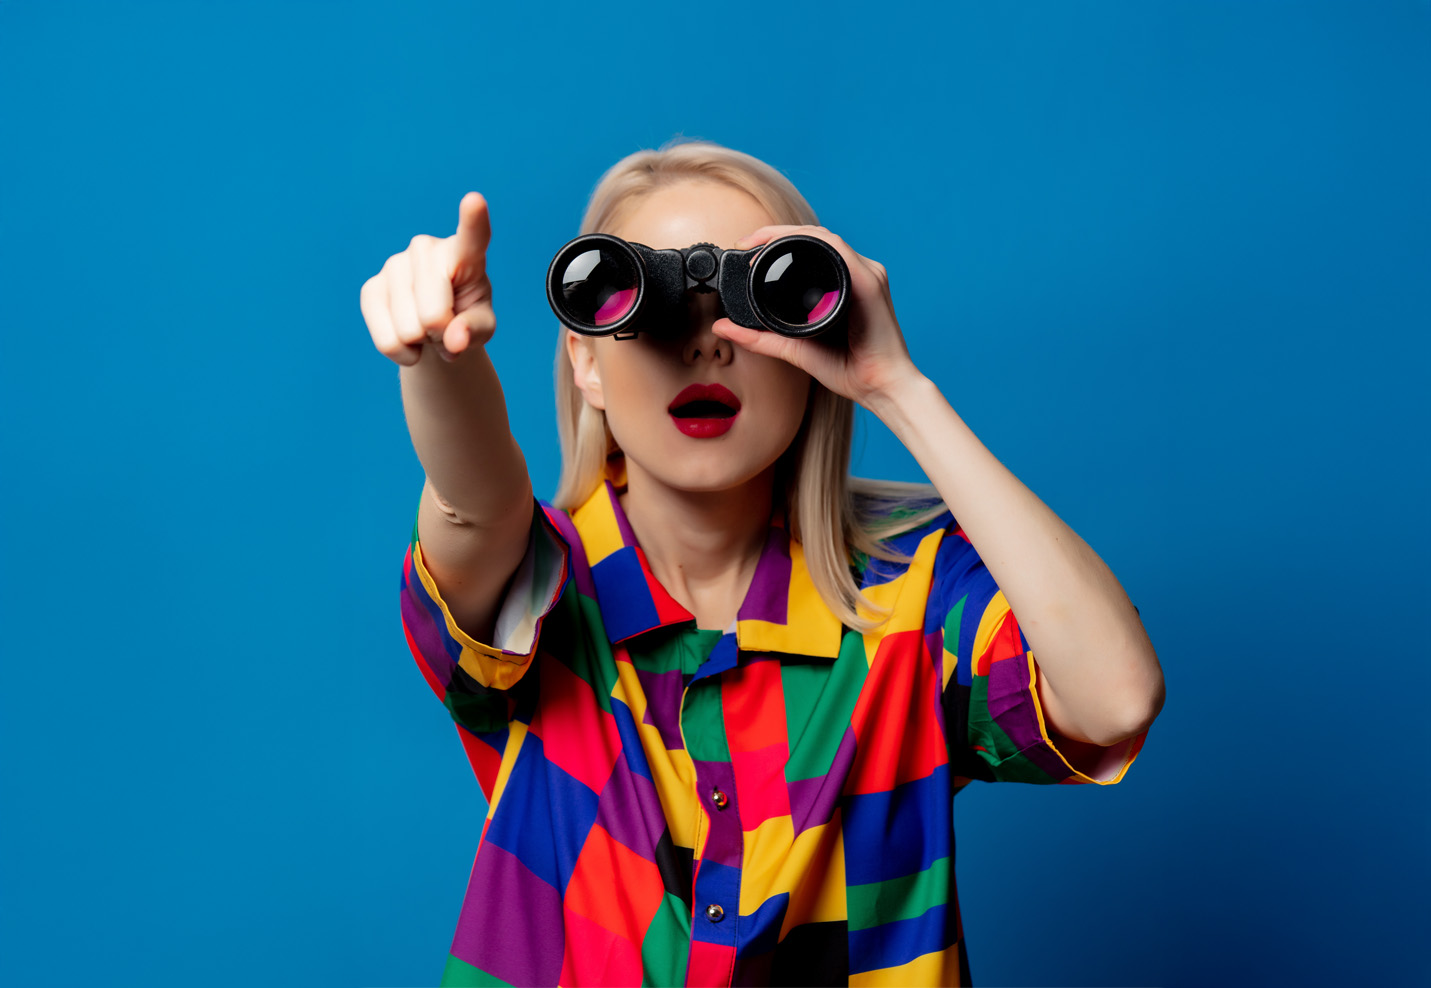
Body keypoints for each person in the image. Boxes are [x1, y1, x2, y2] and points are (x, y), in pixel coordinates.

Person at [360, 139, 1164, 988]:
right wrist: (441, 359)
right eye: (647, 301)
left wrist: (897, 386)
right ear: (585, 358)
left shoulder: (908, 596)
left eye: (755, 300)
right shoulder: (541, 589)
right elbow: (474, 505)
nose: (705, 342)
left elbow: (1114, 700)